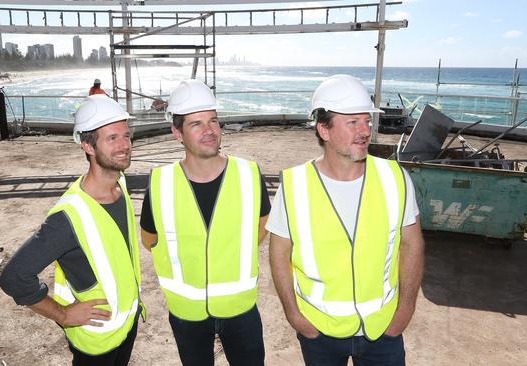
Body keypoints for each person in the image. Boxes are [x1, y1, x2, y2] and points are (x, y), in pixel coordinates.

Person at [267, 74, 425, 366]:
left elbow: (412, 244)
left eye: (367, 120)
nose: (364, 130)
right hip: (319, 330)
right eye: (352, 122)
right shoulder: (294, 184)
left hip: (383, 329)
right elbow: (279, 252)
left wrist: (405, 309)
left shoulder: (395, 178)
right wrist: (294, 315)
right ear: (324, 130)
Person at [0, 94, 145, 366]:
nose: (124, 145)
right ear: (87, 146)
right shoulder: (68, 216)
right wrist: (63, 314)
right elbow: (14, 278)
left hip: (126, 325)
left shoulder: (119, 186)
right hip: (96, 342)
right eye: (112, 138)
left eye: (126, 135)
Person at [140, 79, 270, 366]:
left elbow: (261, 228)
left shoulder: (249, 174)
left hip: (241, 310)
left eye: (213, 120)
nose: (209, 130)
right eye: (196, 124)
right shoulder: (160, 184)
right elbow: (149, 240)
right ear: (177, 132)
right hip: (187, 313)